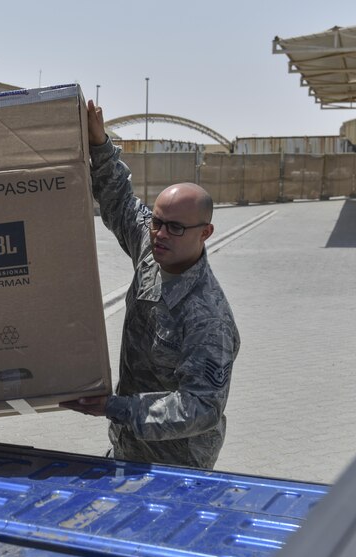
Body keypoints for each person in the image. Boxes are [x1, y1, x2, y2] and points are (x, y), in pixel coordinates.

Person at [61, 101, 240, 470]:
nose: (159, 233)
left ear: (206, 233)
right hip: (128, 444)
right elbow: (121, 201)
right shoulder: (153, 245)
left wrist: (115, 407)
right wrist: (99, 144)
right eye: (157, 221)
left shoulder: (208, 318)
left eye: (175, 227)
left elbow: (201, 407)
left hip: (178, 463)